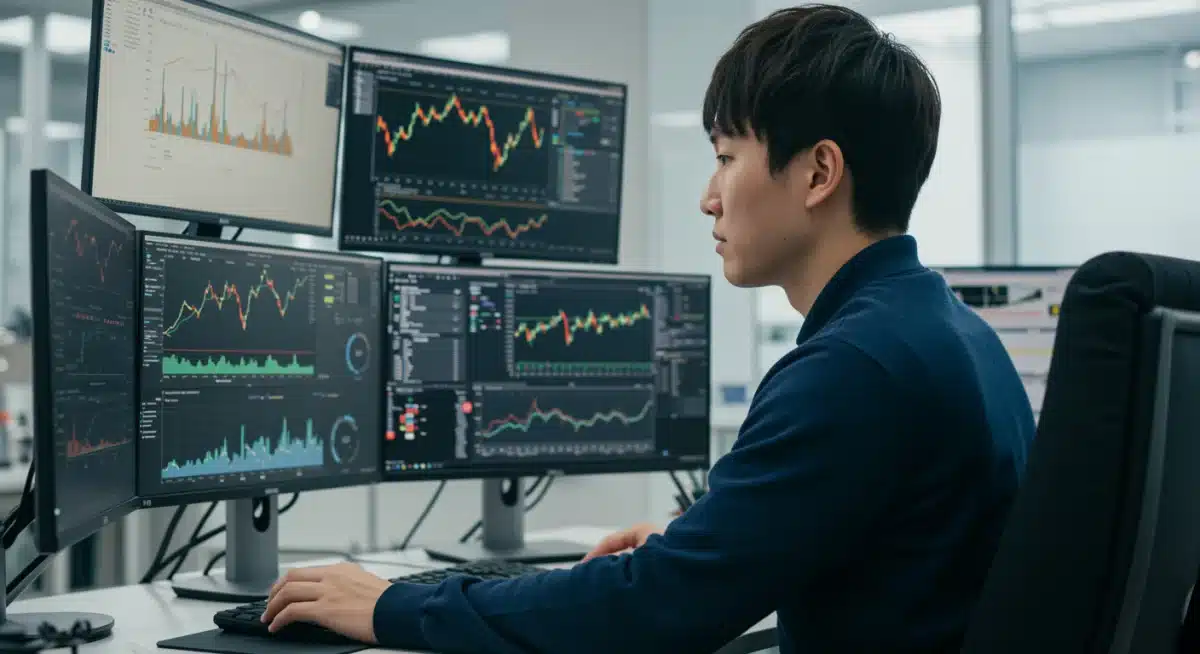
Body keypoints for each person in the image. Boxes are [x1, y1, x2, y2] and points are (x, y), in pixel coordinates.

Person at [259, 5, 1036, 652]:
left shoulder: (855, 369)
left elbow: (655, 613)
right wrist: (700, 542)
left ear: (819, 174)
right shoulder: (949, 332)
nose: (709, 196)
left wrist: (391, 607)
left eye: (727, 157)